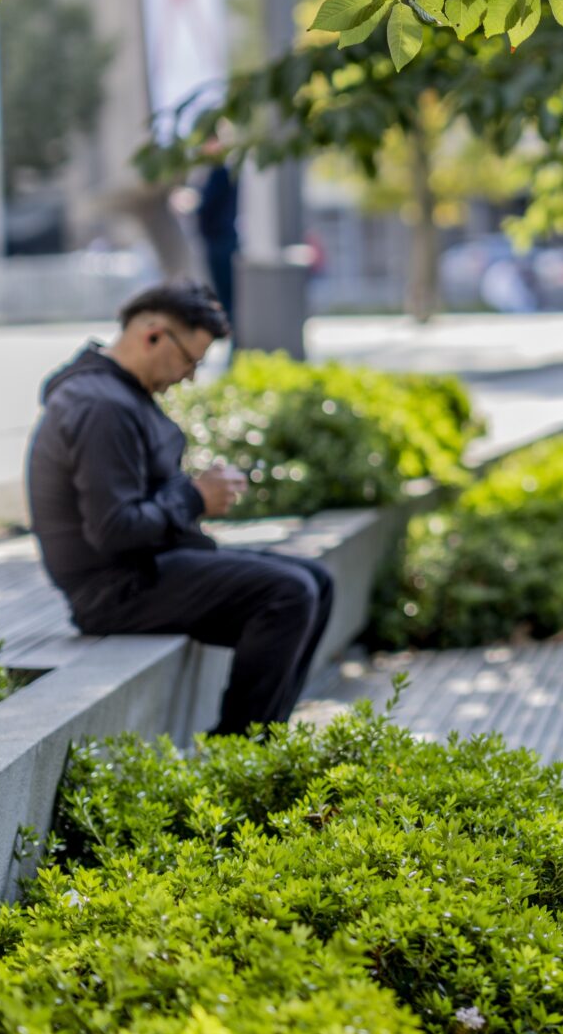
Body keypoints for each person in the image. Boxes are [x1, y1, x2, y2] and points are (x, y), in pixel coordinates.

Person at [26, 280, 334, 735]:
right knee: (288, 594)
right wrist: (194, 497)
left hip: (149, 568)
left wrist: (192, 497)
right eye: (191, 360)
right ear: (152, 335)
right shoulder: (100, 406)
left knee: (317, 583)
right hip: (115, 590)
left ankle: (265, 746)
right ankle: (241, 754)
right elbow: (115, 530)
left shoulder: (117, 394)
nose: (190, 376)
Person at [193, 153, 239, 325]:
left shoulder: (221, 172)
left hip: (221, 239)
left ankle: (235, 337)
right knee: (224, 295)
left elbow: (208, 206)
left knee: (227, 297)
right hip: (217, 239)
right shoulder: (216, 171)